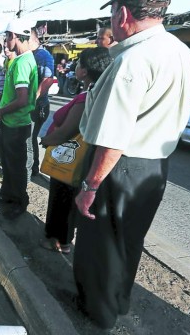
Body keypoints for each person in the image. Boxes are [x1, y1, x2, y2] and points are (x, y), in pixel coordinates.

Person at [73, 0, 190, 329]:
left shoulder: (132, 61)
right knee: (129, 241)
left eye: (112, 13)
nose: (112, 20)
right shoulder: (181, 51)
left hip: (120, 167)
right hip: (155, 167)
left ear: (123, 14)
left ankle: (97, 314)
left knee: (101, 246)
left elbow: (113, 137)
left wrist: (90, 187)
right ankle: (119, 302)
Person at [39, 47, 113, 254]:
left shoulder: (85, 98)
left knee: (61, 201)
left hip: (69, 157)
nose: (76, 67)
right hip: (79, 156)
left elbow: (66, 132)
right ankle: (63, 239)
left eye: (79, 63)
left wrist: (46, 140)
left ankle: (59, 241)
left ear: (84, 71)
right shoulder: (96, 91)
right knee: (67, 201)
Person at [0, 19, 39, 219]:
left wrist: (1, 111)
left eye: (6, 36)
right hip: (14, 123)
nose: (5, 41)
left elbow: (21, 99)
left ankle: (19, 202)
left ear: (14, 36)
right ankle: (7, 195)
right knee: (9, 163)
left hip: (15, 123)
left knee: (16, 166)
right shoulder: (24, 59)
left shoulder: (22, 62)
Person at [28, 30, 55, 176]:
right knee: (28, 138)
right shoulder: (29, 55)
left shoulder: (43, 55)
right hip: (29, 104)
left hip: (38, 106)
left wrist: (34, 98)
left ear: (32, 40)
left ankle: (32, 168)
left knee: (30, 138)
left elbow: (48, 80)